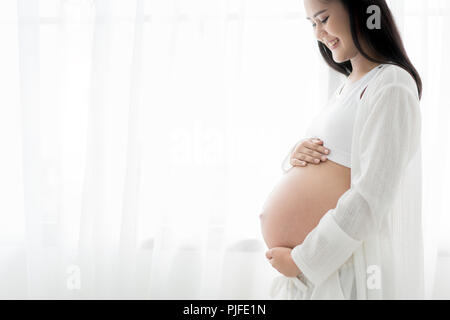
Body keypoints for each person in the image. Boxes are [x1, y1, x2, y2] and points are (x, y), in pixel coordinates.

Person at [264, 0, 424, 299]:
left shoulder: (391, 84)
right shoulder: (346, 86)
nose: (319, 33)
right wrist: (296, 154)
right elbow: (331, 159)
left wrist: (303, 261)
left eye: (323, 18)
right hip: (317, 275)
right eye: (312, 24)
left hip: (340, 269)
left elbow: (372, 196)